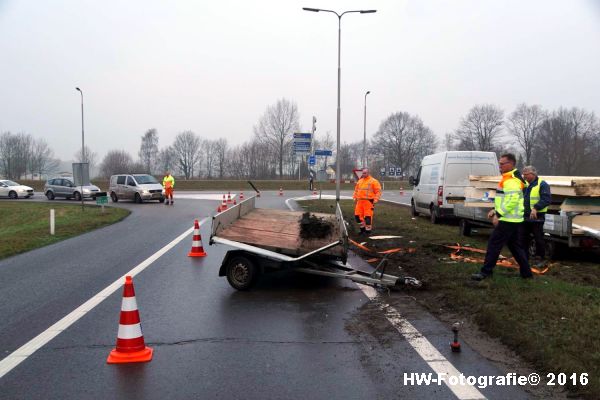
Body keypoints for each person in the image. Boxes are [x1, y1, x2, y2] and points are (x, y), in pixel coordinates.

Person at [472, 153, 533, 280]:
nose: (499, 166)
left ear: (510, 164)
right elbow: (505, 200)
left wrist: (498, 214)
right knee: (516, 247)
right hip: (513, 219)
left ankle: (486, 272)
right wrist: (495, 210)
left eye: (502, 163)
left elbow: (512, 201)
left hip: (508, 220)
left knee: (494, 245)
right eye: (499, 163)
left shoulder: (511, 181)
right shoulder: (509, 179)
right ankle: (527, 274)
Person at [522, 165, 552, 266]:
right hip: (525, 216)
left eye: (526, 175)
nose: (524, 177)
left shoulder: (542, 184)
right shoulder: (525, 184)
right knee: (523, 238)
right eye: (524, 175)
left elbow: (546, 199)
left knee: (538, 238)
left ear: (533, 174)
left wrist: (535, 208)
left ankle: (541, 258)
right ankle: (524, 258)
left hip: (537, 217)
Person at [353, 168, 382, 236]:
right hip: (359, 201)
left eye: (365, 173)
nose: (363, 174)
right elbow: (356, 190)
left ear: (368, 173)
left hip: (368, 202)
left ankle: (368, 232)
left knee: (368, 218)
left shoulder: (374, 181)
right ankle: (362, 230)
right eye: (363, 173)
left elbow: (378, 191)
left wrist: (376, 199)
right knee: (357, 216)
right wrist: (354, 197)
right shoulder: (360, 181)